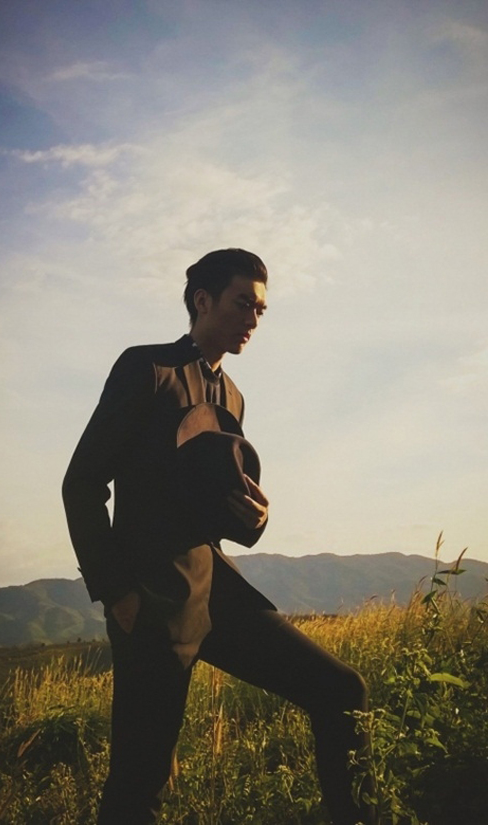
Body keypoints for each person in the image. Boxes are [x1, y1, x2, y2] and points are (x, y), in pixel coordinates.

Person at [62, 248, 373, 825]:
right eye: (242, 304)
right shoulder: (147, 368)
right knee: (139, 784)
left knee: (340, 690)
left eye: (260, 310)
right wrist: (118, 593)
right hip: (154, 601)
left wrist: (255, 518)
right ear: (202, 300)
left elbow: (215, 506)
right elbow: (80, 484)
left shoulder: (232, 396)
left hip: (216, 590)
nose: (253, 319)